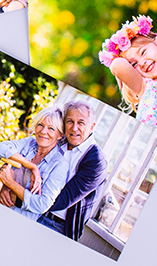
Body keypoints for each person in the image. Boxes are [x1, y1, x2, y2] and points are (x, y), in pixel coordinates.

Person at [37, 101, 107, 241]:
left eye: (81, 123)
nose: (74, 128)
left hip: (57, 227)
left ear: (92, 127)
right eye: (70, 121)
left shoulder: (96, 161)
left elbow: (64, 199)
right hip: (34, 211)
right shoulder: (57, 141)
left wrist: (21, 199)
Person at [0, 107, 68, 221]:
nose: (43, 131)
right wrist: (32, 166)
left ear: (60, 135)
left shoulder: (60, 165)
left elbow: (42, 205)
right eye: (40, 125)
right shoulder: (29, 143)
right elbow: (1, 148)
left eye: (51, 128)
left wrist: (10, 183)